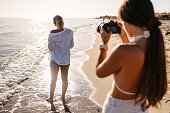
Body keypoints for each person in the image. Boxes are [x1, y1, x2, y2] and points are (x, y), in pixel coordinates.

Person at [96, 0, 167, 113]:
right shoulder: (154, 44)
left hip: (118, 109)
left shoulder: (123, 51)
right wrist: (123, 35)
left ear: (129, 21)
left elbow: (100, 72)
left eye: (123, 21)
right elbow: (132, 52)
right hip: (140, 108)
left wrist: (104, 44)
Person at [46, 15, 74, 103]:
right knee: (64, 80)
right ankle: (62, 97)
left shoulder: (52, 34)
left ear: (54, 23)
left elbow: (50, 47)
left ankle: (51, 98)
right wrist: (64, 46)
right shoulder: (70, 32)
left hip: (54, 59)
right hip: (65, 60)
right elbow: (71, 45)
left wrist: (56, 47)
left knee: (53, 79)